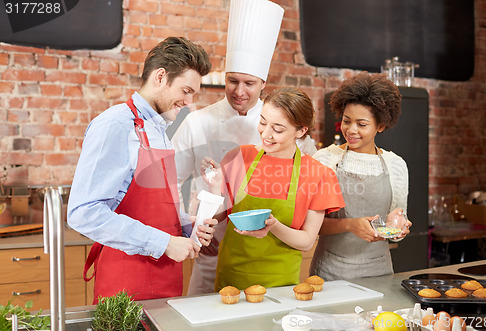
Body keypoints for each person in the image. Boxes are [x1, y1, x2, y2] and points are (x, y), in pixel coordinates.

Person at [172, 0, 316, 295]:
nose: (239, 91)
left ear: (263, 82)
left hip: (272, 249)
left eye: (249, 83)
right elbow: (171, 182)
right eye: (232, 81)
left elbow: (308, 175)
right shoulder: (196, 122)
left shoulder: (283, 121)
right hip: (210, 245)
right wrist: (192, 224)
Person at [67, 36, 217, 303]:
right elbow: (83, 212)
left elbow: (152, 207)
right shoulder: (115, 124)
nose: (190, 102)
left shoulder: (159, 130)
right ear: (160, 77)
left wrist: (184, 225)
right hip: (126, 288)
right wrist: (164, 243)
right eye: (186, 91)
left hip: (166, 282)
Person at [202, 87, 345, 291]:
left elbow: (306, 241)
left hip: (282, 284)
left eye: (278, 129)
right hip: (231, 279)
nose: (266, 134)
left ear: (301, 131)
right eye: (262, 122)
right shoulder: (240, 157)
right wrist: (215, 189)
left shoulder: (320, 174)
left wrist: (274, 227)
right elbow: (218, 218)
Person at [309, 72, 412, 280]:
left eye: (362, 124)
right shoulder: (325, 160)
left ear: (380, 126)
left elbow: (396, 220)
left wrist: (399, 225)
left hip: (379, 271)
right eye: (347, 121)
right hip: (330, 272)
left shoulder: (396, 165)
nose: (351, 130)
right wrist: (350, 224)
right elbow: (309, 226)